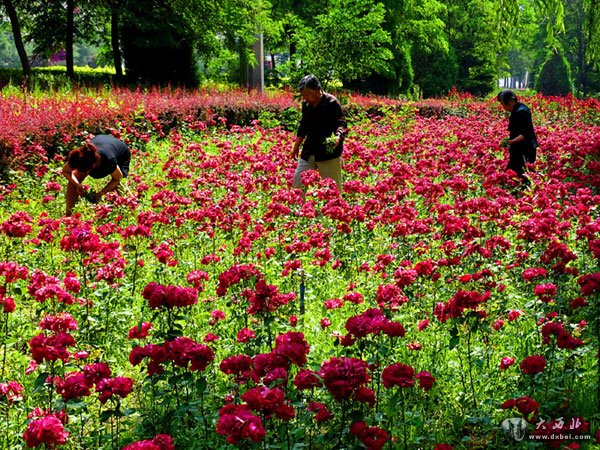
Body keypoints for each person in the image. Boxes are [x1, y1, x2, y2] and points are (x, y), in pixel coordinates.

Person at [292, 74, 348, 192]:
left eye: (308, 94)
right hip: (310, 149)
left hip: (328, 151)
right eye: (303, 95)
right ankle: (298, 209)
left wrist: (337, 137)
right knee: (298, 179)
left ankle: (336, 209)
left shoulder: (331, 103)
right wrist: (296, 146)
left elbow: (341, 123)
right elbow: (304, 126)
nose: (306, 98)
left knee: (333, 187)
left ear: (318, 90)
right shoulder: (306, 105)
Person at [62, 134, 131, 216]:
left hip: (121, 153)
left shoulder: (108, 160)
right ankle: (69, 214)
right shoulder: (79, 157)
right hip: (101, 140)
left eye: (85, 171)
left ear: (94, 165)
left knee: (119, 186)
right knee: (74, 180)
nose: (83, 173)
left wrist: (102, 193)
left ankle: (128, 209)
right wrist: (77, 184)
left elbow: (118, 178)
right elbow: (66, 171)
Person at [497, 89, 538, 186]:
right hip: (520, 149)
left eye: (503, 104)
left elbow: (525, 134)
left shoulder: (521, 112)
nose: (503, 107)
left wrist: (510, 142)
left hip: (524, 150)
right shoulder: (518, 109)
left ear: (511, 100)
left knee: (518, 177)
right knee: (516, 176)